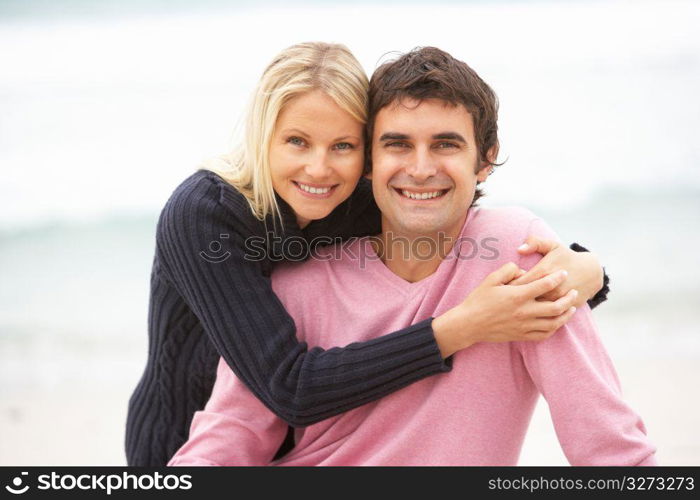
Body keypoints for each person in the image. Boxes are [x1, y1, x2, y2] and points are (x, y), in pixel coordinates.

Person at [126, 42, 609, 466]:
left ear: (366, 156)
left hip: (307, 438)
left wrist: (586, 269)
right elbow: (290, 386)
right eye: (296, 140)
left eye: (342, 145)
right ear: (262, 136)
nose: (319, 167)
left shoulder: (353, 193)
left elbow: (454, 204)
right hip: (187, 440)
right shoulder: (204, 214)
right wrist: (466, 325)